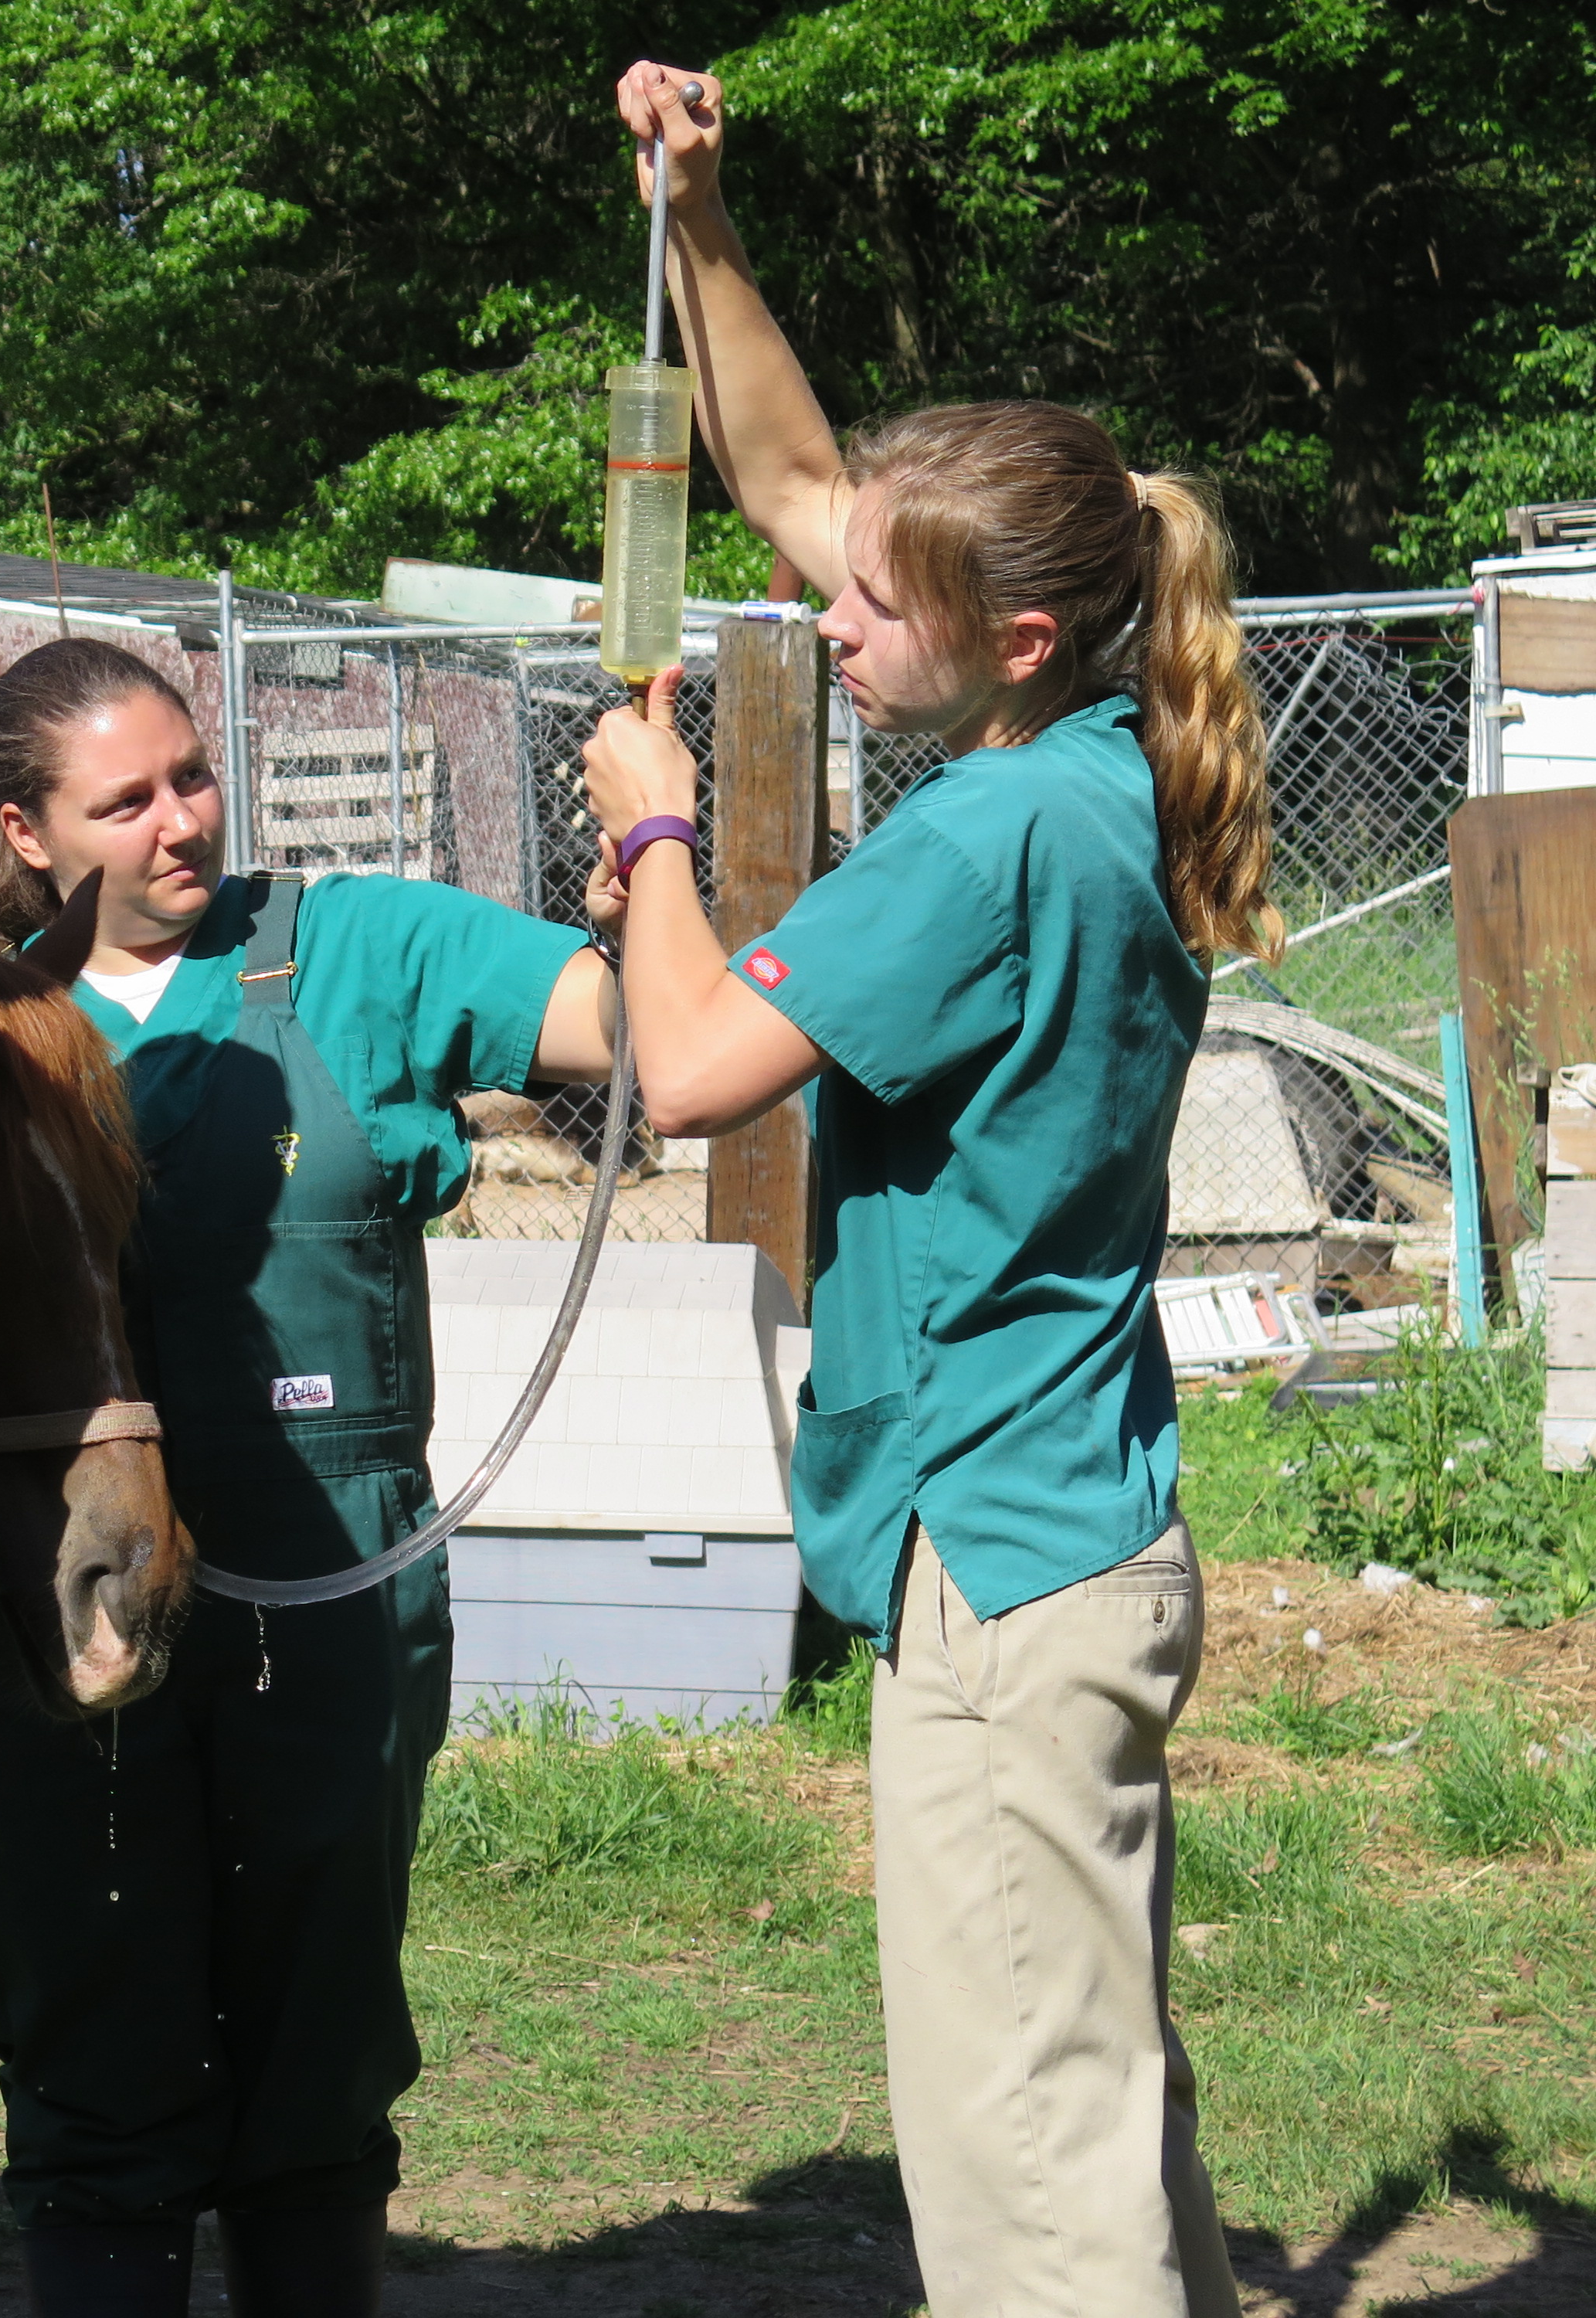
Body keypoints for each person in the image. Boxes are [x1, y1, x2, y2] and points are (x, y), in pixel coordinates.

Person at [577, 63, 1275, 2318]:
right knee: (1094, 2113)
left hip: (995, 1559)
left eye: (869, 605)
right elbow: (791, 478)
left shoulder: (980, 840)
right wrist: (696, 217)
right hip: (1077, 1524)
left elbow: (695, 1071)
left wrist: (656, 827)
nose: (826, 615)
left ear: (1014, 635)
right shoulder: (1099, 765)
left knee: (1030, 2184)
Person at [0, 636, 619, 2316]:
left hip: (327, 1594)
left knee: (318, 2045)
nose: (181, 821)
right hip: (51, 1588)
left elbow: (647, 1024)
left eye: (192, 776)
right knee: (87, 2029)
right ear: (23, 832)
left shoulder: (357, 948)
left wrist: (647, 872)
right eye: (125, 802)